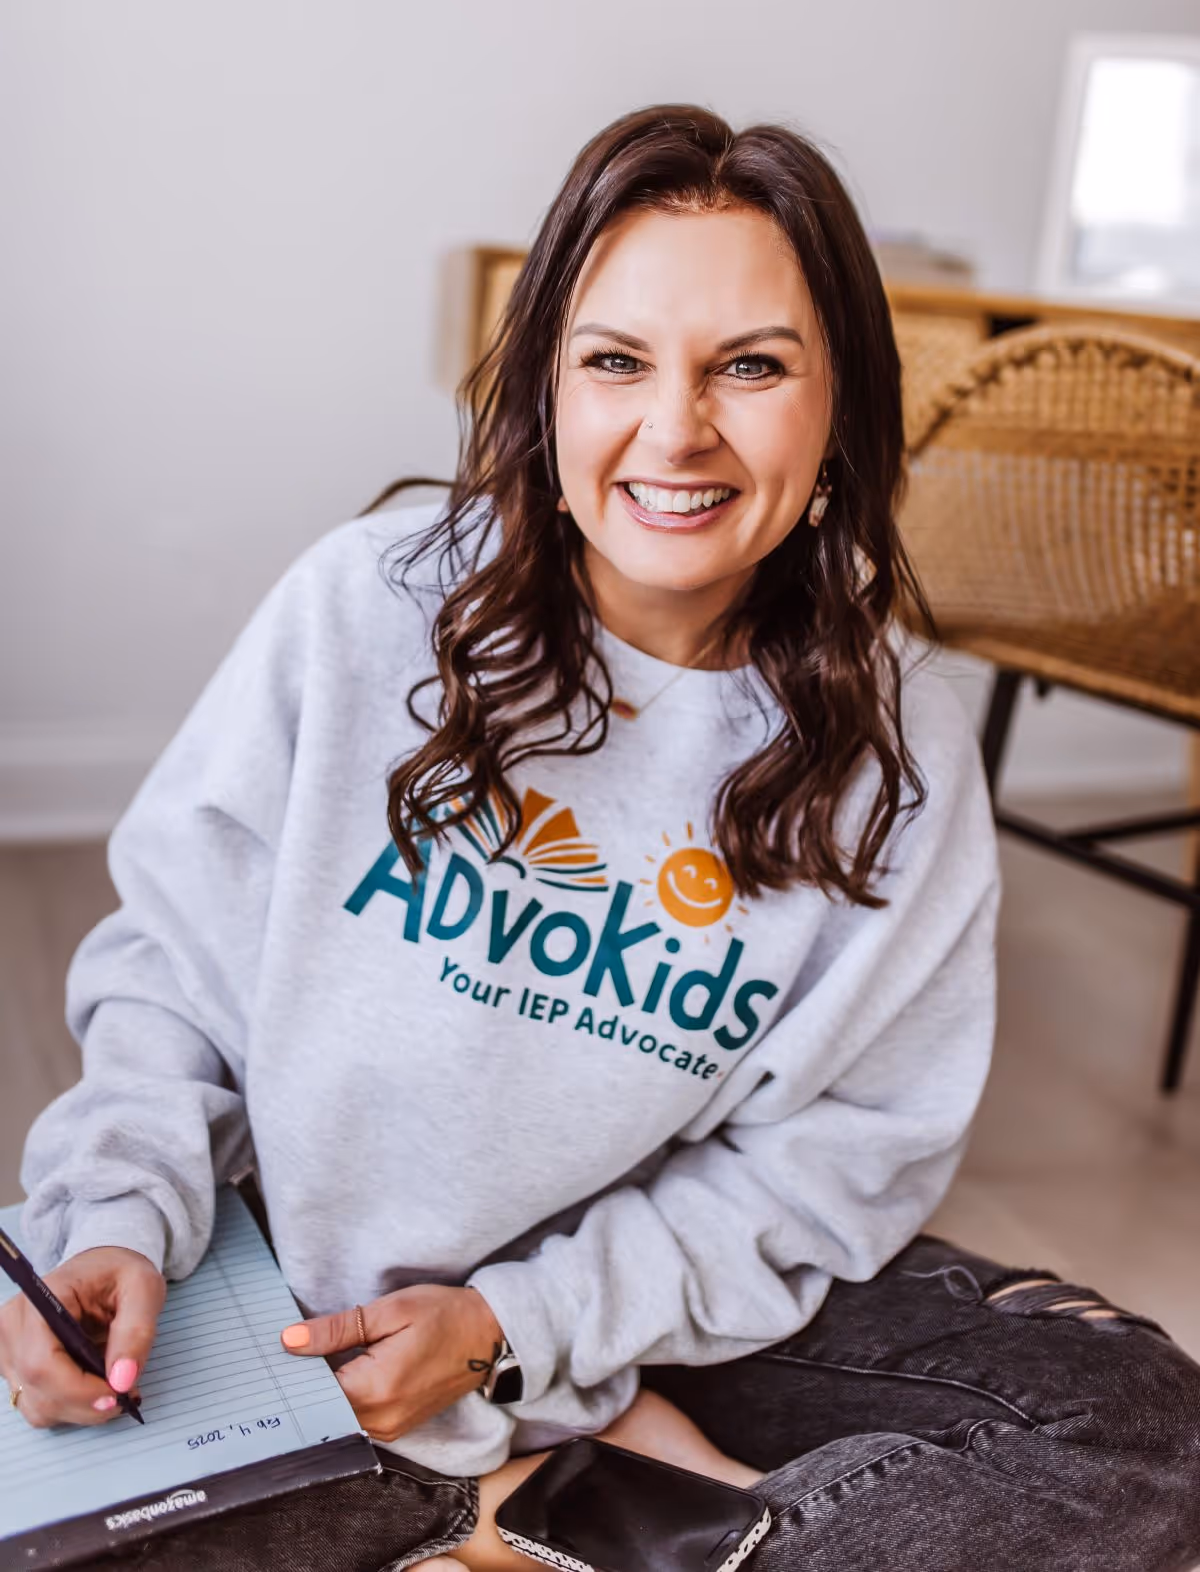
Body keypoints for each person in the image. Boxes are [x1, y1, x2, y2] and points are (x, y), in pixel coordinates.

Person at [3, 105, 1198, 1572]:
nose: (676, 428)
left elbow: (826, 1166)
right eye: (616, 359)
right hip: (289, 1322)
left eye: (750, 365)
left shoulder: (899, 756)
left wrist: (520, 1328)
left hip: (634, 1312)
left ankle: (555, 1511)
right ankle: (567, 1515)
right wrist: (115, 1221)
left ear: (842, 406)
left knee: (1141, 1431)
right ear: (548, 387)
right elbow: (174, 980)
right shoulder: (367, 608)